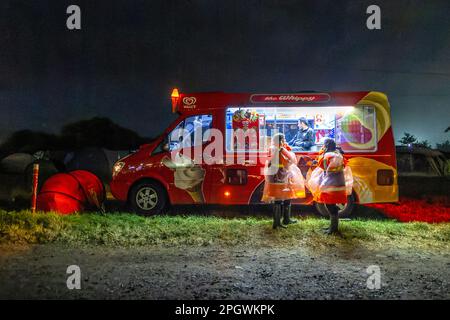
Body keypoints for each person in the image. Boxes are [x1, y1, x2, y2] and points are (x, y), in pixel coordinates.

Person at [262, 133, 306, 229]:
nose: (285, 141)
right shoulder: (281, 149)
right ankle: (279, 222)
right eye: (284, 139)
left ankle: (281, 220)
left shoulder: (271, 148)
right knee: (282, 197)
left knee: (281, 197)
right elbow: (292, 160)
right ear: (280, 140)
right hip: (281, 175)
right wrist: (286, 151)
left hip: (273, 175)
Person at [314, 138, 348, 235]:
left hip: (330, 183)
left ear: (326, 146)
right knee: (332, 205)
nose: (322, 146)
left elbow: (323, 167)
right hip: (339, 183)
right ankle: (333, 227)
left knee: (330, 205)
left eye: (323, 145)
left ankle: (333, 229)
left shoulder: (327, 156)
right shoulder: (338, 154)